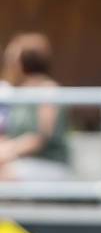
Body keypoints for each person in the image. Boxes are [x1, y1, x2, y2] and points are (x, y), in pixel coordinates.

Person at [0, 33, 70, 181]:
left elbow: (41, 138)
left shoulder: (49, 90)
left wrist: (8, 151)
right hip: (19, 162)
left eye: (12, 59)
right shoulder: (17, 92)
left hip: (47, 163)